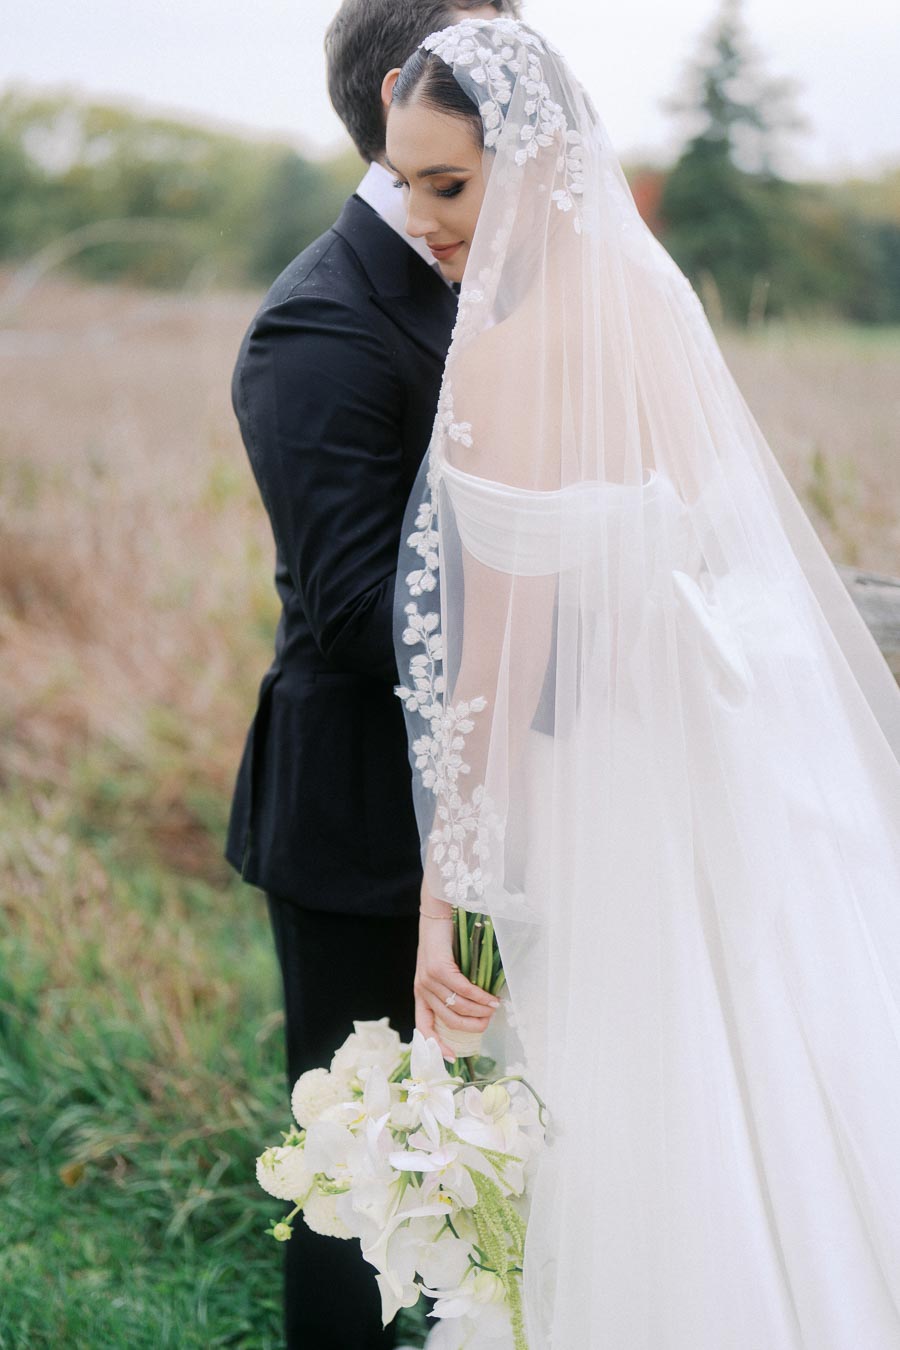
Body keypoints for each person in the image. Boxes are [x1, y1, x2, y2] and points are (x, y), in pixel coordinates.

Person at [387, 16, 900, 1348]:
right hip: (754, 776)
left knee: (645, 1129)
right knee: (798, 1086)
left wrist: (442, 900)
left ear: (539, 161)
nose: (421, 219)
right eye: (405, 184)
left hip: (622, 796)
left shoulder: (501, 360)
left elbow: (487, 687)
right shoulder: (656, 307)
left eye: (449, 185)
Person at [224, 3, 518, 1346]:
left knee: (487, 1159)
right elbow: (354, 609)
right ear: (407, 90)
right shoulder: (322, 322)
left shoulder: (502, 278)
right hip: (358, 825)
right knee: (365, 1181)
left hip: (495, 810)